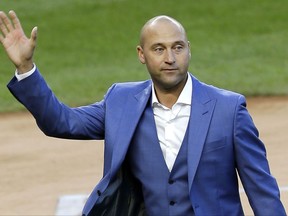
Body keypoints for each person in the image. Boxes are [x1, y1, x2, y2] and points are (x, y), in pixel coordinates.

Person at [0, 10, 286, 216]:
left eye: (177, 47)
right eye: (158, 49)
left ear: (189, 50)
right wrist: (26, 69)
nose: (170, 58)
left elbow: (261, 189)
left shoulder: (229, 109)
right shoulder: (121, 102)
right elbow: (61, 122)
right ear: (141, 54)